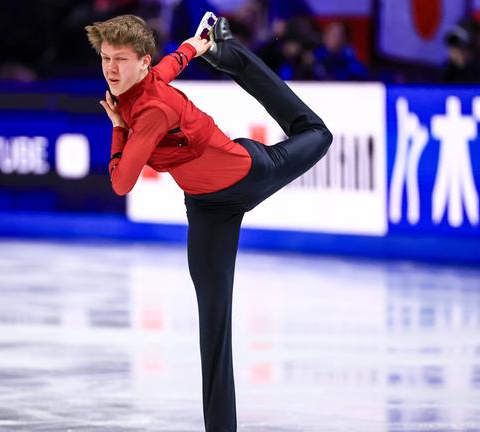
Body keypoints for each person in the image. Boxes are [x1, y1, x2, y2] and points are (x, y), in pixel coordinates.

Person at [85, 13, 332, 431]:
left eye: (120, 59)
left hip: (251, 172)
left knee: (318, 134)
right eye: (106, 57)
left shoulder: (150, 111)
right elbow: (167, 67)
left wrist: (116, 131)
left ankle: (233, 57)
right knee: (213, 323)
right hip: (205, 208)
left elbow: (122, 182)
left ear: (140, 62)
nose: (111, 68)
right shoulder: (142, 85)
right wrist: (193, 48)